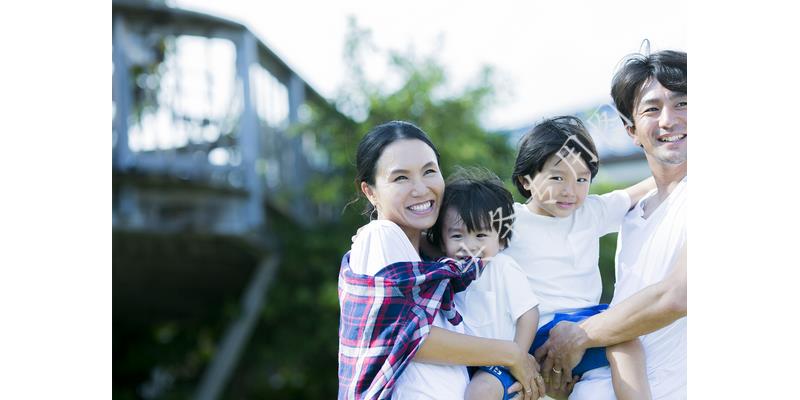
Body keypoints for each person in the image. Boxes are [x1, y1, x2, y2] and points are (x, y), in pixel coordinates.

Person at [338, 121, 545, 400]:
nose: (420, 188)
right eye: (401, 178)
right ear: (370, 192)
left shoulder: (438, 265)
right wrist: (512, 355)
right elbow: (409, 337)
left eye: (429, 171)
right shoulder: (382, 235)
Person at [533, 49, 687, 400]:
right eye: (652, 108)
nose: (668, 120)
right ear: (632, 130)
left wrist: (579, 334)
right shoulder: (634, 215)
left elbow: (679, 295)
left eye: (683, 103)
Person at [503, 116, 656, 400]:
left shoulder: (590, 212)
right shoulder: (509, 221)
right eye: (557, 177)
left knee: (625, 339)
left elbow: (645, 188)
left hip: (587, 326)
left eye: (582, 179)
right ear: (526, 180)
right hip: (538, 332)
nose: (570, 190)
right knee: (625, 341)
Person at [425, 167, 541, 400]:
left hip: (498, 364)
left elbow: (529, 314)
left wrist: (518, 355)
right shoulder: (446, 270)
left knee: (480, 392)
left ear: (500, 238)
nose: (469, 245)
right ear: (442, 240)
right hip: (461, 363)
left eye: (480, 235)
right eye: (457, 236)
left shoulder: (502, 268)